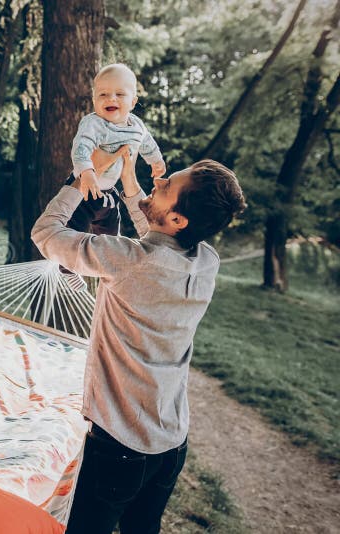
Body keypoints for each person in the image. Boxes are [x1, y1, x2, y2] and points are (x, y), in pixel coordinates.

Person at [31, 148, 246, 534]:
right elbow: (158, 235)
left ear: (179, 218)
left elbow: (45, 234)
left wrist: (80, 180)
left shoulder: (127, 260)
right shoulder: (205, 261)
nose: (159, 181)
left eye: (166, 185)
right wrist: (134, 187)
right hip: (171, 444)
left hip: (119, 447)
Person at [68, 63, 166, 237]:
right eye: (103, 94)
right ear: (94, 101)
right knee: (73, 233)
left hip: (108, 191)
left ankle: (106, 260)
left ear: (133, 102)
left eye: (119, 94)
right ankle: (67, 265)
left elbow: (147, 143)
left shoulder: (136, 126)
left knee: (110, 233)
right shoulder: (94, 123)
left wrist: (156, 161)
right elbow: (81, 146)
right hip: (83, 187)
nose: (111, 98)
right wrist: (87, 171)